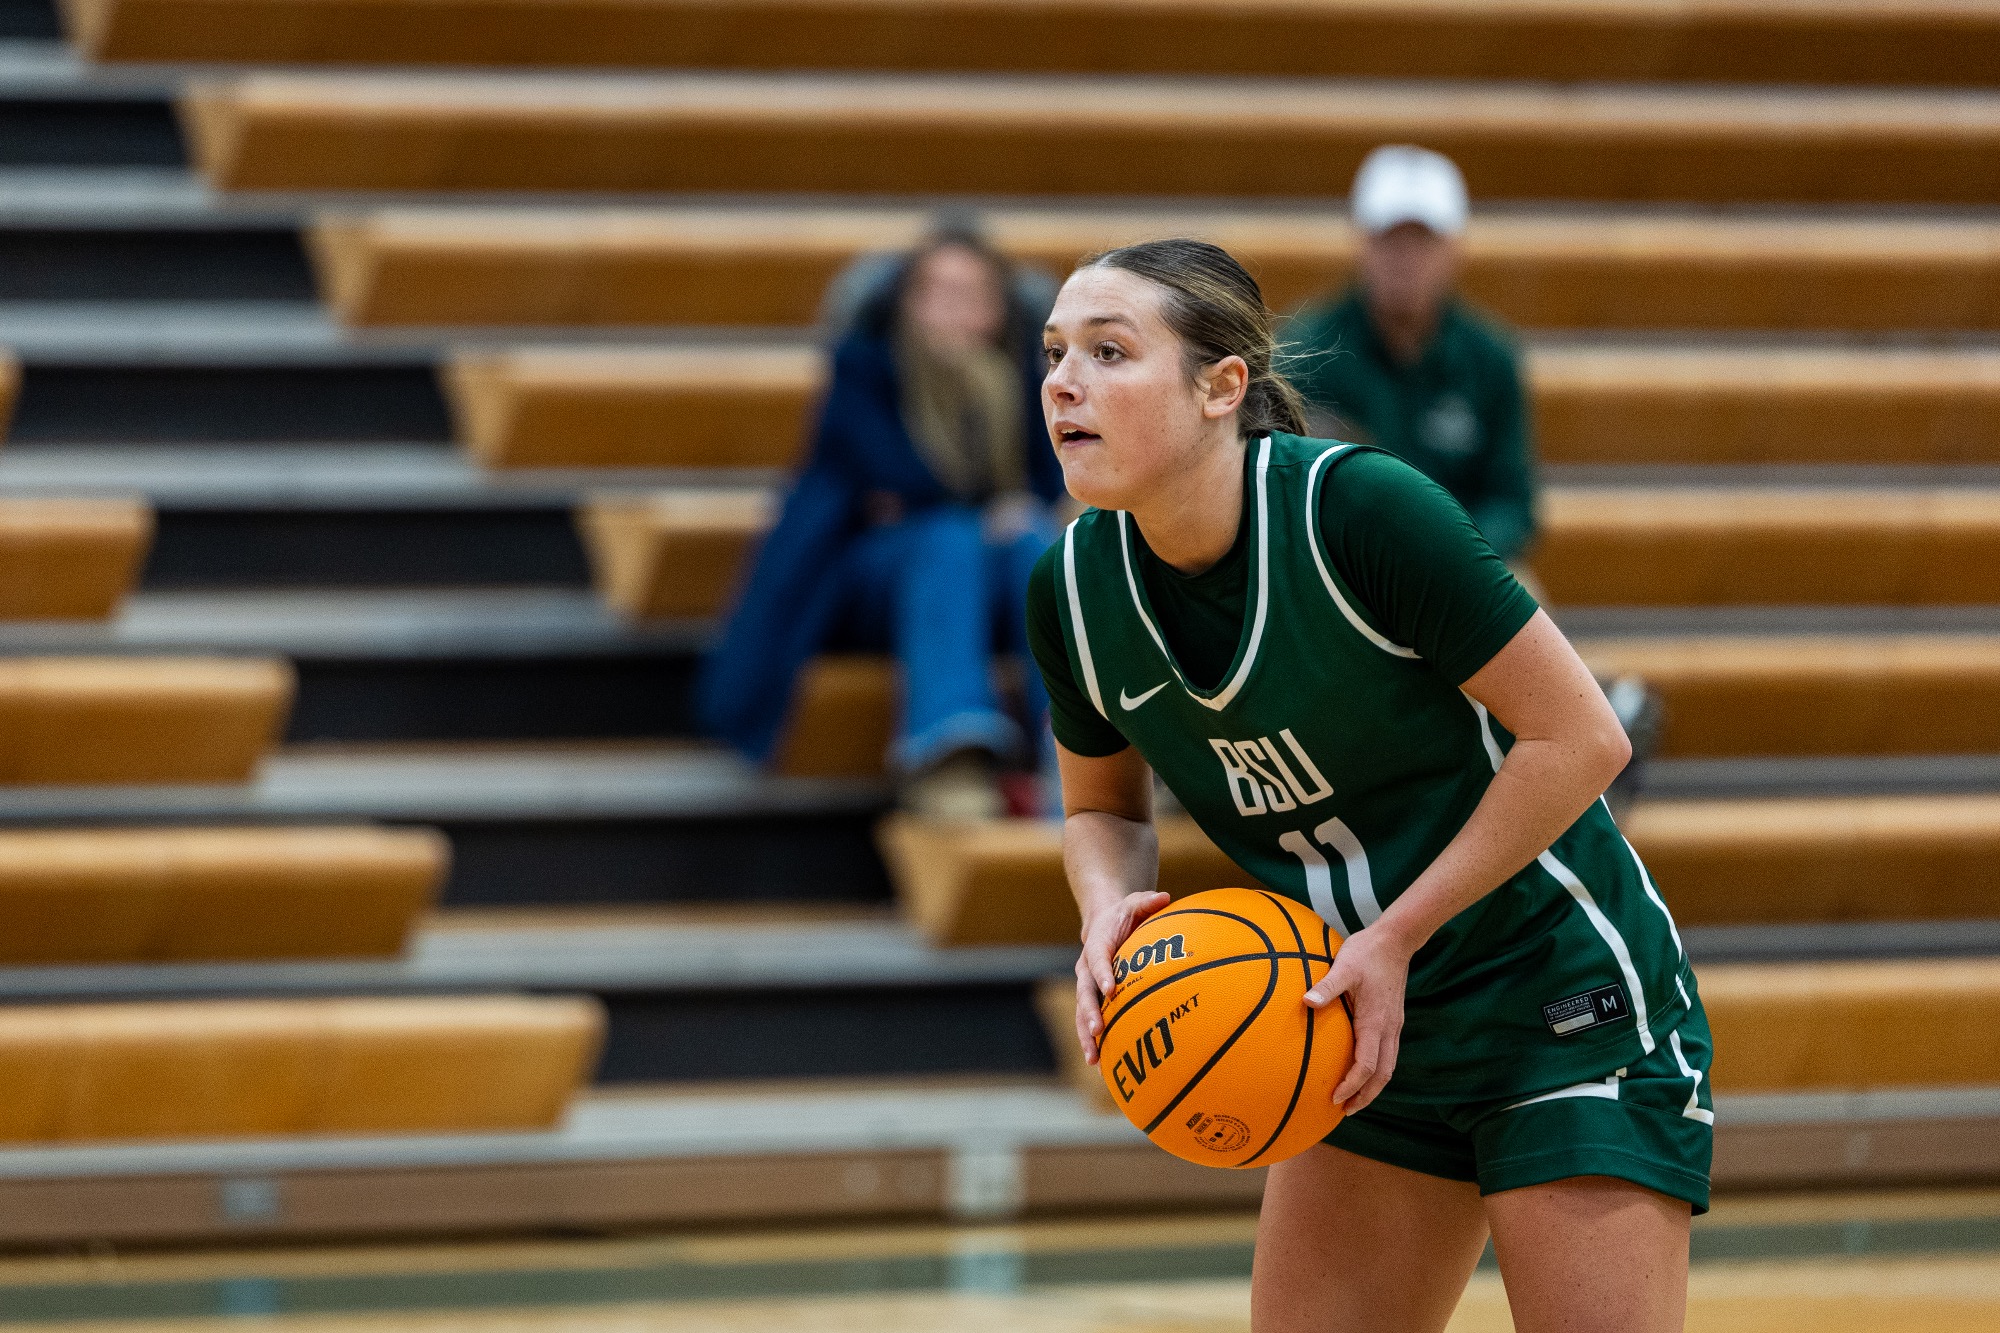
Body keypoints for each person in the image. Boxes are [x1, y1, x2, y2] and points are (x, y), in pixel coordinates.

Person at [1027, 238, 1708, 1332]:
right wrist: (1105, 908)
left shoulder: (1359, 512)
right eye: (1054, 352)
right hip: (1348, 1021)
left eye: (1108, 352)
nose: (1065, 381)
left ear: (1221, 386)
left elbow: (1582, 739)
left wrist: (1396, 934)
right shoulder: (1070, 590)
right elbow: (1103, 807)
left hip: (1552, 994)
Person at [699, 222, 1067, 819]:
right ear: (907, 303)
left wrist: (1008, 510)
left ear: (1000, 310)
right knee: (949, 538)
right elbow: (889, 470)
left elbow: (1052, 482)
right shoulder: (865, 367)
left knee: (1038, 545)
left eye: (972, 294)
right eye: (937, 292)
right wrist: (979, 510)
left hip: (990, 575)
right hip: (871, 580)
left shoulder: (1030, 381)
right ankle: (948, 752)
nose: (953, 309)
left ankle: (1081, 752)